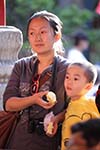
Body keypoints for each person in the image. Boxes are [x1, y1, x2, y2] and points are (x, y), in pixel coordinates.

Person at [3, 10, 69, 150]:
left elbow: (74, 106)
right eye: (32, 33)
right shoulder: (21, 65)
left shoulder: (67, 69)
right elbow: (8, 104)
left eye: (43, 32)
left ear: (57, 36)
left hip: (51, 142)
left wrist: (56, 119)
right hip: (19, 141)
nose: (37, 38)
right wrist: (33, 99)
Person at [61, 62, 100, 150]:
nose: (69, 81)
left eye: (75, 79)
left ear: (88, 86)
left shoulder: (91, 104)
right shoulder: (72, 102)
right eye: (67, 77)